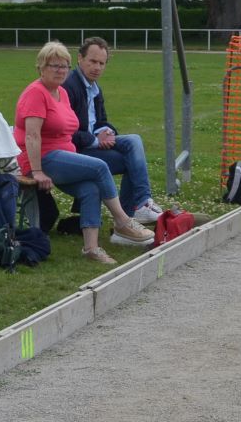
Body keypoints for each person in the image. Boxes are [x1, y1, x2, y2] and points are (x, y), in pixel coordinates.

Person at [15, 40, 156, 265]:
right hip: (45, 158)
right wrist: (37, 171)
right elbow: (32, 135)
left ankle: (91, 248)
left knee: (91, 188)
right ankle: (123, 221)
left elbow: (76, 126)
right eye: (54, 66)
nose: (60, 71)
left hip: (64, 157)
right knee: (100, 167)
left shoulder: (61, 92)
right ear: (41, 66)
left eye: (64, 66)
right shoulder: (36, 93)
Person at [62, 36, 165, 226]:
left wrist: (107, 133)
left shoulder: (95, 88)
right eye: (92, 61)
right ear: (79, 59)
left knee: (132, 151)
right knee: (133, 145)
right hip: (75, 150)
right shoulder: (69, 86)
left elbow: (101, 120)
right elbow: (66, 132)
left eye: (102, 63)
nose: (97, 67)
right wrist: (95, 139)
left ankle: (129, 217)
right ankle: (137, 208)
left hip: (92, 142)